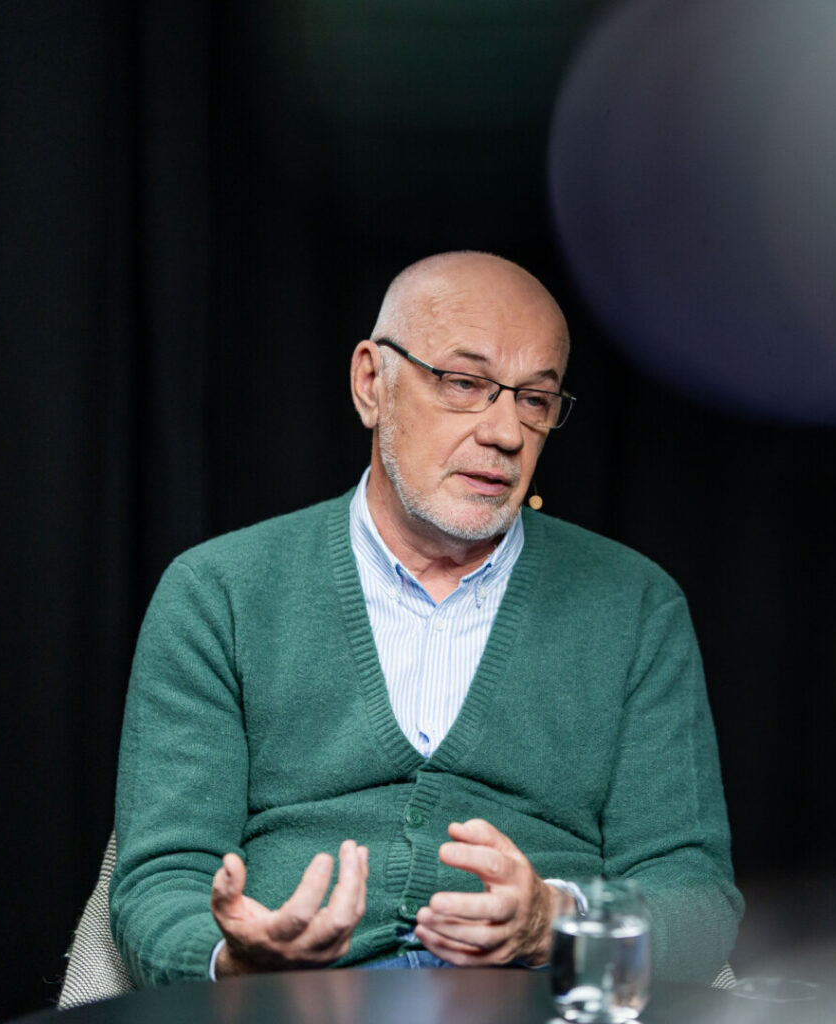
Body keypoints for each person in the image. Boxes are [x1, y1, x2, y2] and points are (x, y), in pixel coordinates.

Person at [109, 252, 742, 987]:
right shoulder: (217, 593)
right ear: (371, 383)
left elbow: (696, 896)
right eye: (465, 384)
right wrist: (238, 958)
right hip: (294, 1004)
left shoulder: (635, 607)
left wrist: (557, 922)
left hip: (537, 1000)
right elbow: (160, 882)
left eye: (535, 400)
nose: (505, 432)